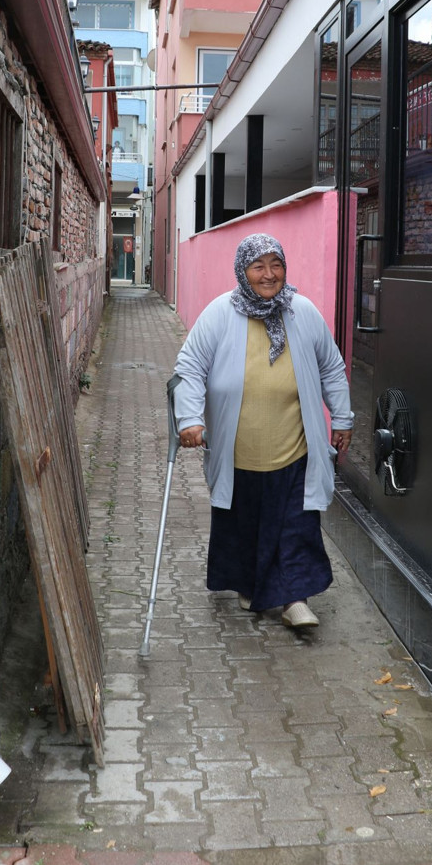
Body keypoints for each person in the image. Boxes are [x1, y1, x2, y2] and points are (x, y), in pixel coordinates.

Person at [173, 233, 353, 630]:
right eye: (259, 266)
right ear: (243, 270)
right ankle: (249, 584)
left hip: (294, 447)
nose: (269, 275)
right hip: (238, 450)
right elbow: (189, 368)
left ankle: (294, 600)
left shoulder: (302, 312)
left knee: (295, 524)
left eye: (277, 265)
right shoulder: (220, 313)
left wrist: (342, 417)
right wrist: (189, 419)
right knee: (244, 524)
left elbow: (331, 367)